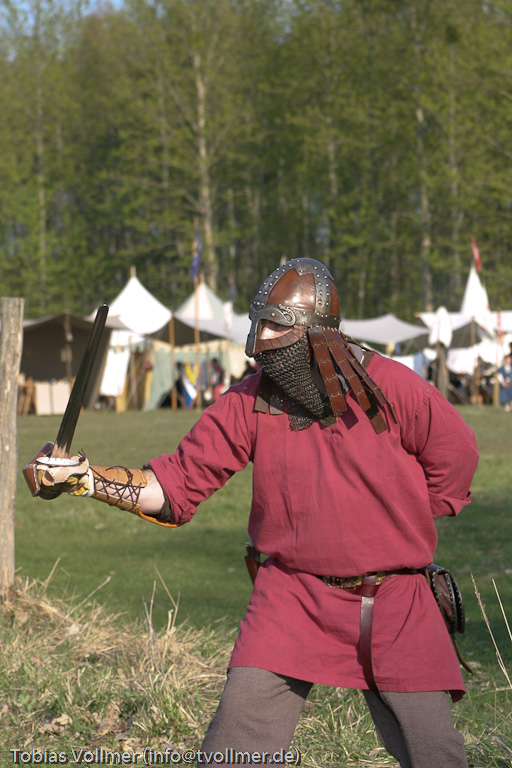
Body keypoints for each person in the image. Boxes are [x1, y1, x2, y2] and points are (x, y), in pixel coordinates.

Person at [29, 258, 478, 768]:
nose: (259, 339)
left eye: (275, 325)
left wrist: (396, 524)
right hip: (291, 598)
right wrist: (86, 479)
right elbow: (174, 486)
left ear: (316, 330)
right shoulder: (247, 402)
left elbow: (455, 460)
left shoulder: (394, 388)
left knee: (435, 752)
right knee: (234, 748)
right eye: (257, 322)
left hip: (396, 599)